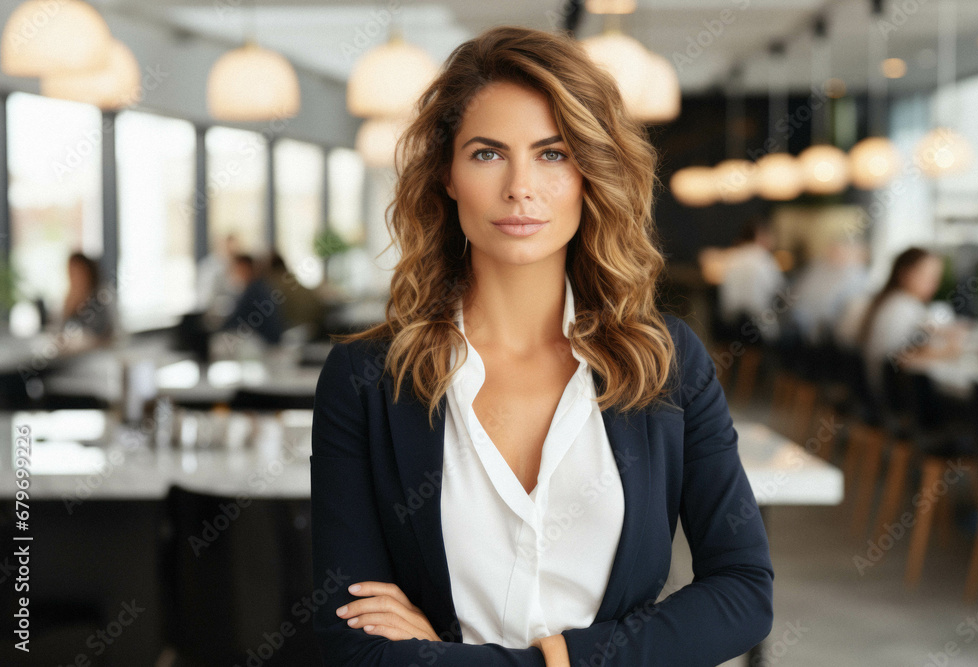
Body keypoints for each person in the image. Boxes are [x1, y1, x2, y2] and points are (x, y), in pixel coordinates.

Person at [310, 25, 773, 667]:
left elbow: (743, 593)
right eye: (487, 153)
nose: (520, 187)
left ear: (591, 173)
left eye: (553, 154)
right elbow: (348, 635)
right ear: (446, 174)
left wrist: (552, 659)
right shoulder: (365, 378)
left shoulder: (665, 360)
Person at [856, 246, 965, 393]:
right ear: (905, 274)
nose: (934, 284)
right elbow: (902, 359)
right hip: (891, 396)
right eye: (927, 276)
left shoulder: (890, 300)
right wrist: (948, 351)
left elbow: (926, 333)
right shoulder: (904, 305)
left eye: (936, 278)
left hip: (875, 391)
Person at [716, 218, 786, 343]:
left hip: (729, 324)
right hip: (756, 325)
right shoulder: (764, 258)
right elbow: (779, 289)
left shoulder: (733, 257)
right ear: (760, 235)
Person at [218, 254, 285, 346]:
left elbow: (236, 319)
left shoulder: (253, 291)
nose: (235, 273)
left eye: (237, 269)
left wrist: (216, 328)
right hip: (270, 340)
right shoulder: (259, 286)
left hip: (266, 344)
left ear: (246, 268)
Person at [59, 252, 117, 348]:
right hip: (75, 357)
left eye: (77, 272)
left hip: (99, 354)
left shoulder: (101, 297)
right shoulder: (70, 300)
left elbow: (108, 333)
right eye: (71, 272)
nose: (74, 277)